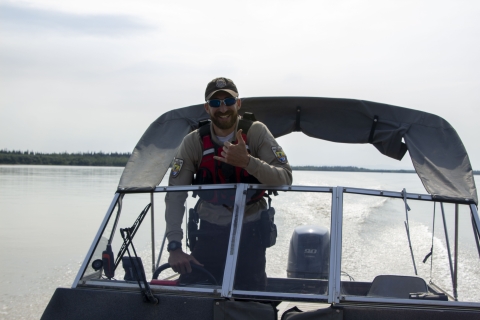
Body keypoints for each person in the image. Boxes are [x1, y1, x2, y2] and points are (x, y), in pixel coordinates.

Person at [165, 77, 292, 290]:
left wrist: (248, 162)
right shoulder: (193, 142)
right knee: (190, 293)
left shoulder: (257, 133)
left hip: (251, 231)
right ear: (207, 108)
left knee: (251, 299)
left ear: (238, 104)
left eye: (228, 101)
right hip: (209, 230)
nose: (222, 108)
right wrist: (174, 246)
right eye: (215, 103)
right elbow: (175, 195)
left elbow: (285, 179)